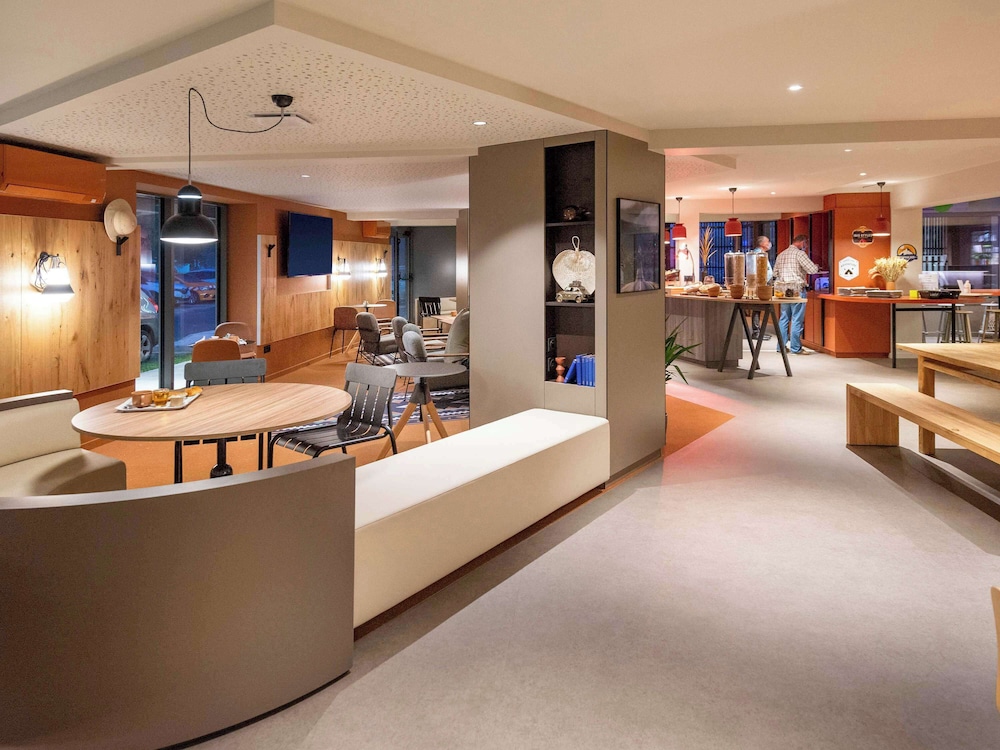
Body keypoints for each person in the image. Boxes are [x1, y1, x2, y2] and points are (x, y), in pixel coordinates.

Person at [774, 234, 819, 354]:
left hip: (783, 290)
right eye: (806, 244)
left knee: (784, 318)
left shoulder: (781, 254)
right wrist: (816, 266)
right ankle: (796, 348)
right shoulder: (800, 254)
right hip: (797, 290)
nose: (806, 247)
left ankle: (781, 347)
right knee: (797, 319)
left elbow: (775, 273)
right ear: (802, 242)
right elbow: (812, 270)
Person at [746, 236, 773, 339]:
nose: (769, 243)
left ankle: (758, 331)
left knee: (759, 309)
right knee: (757, 308)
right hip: (760, 285)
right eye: (767, 241)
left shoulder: (762, 254)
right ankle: (756, 332)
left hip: (764, 284)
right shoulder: (758, 254)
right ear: (762, 243)